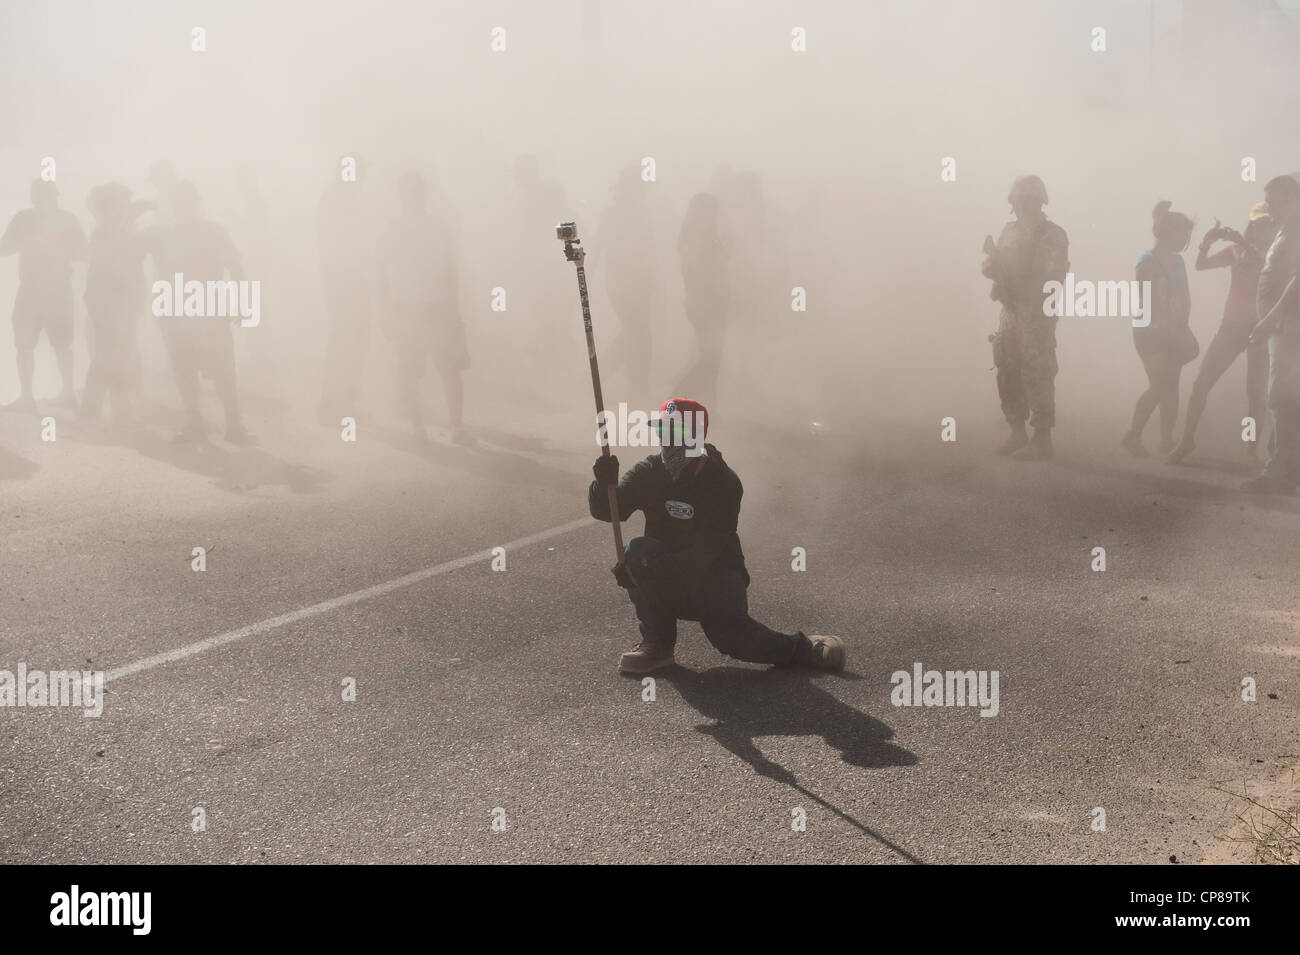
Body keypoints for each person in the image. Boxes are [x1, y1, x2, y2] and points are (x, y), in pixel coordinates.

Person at [589, 396, 845, 676]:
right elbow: (610, 511)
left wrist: (651, 569)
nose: (668, 440)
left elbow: (704, 554)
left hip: (715, 577)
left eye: (678, 432)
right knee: (636, 551)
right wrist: (603, 484)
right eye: (663, 431)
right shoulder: (650, 471)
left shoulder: (723, 482)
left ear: (698, 435)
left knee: (733, 641)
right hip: (668, 574)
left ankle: (802, 648)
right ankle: (657, 645)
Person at [143, 180, 253, 444]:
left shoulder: (209, 233)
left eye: (187, 202)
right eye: (180, 203)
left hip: (203, 309)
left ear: (195, 204)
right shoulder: (167, 236)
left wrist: (242, 302)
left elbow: (236, 267)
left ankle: (230, 423)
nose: (184, 208)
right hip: (182, 310)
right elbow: (235, 267)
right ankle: (202, 423)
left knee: (216, 368)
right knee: (190, 368)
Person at [1166, 203, 1277, 465]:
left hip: (1259, 329)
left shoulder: (1276, 253)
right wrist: (1207, 241)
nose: (1264, 229)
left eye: (1268, 224)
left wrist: (1242, 243)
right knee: (1201, 383)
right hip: (1232, 326)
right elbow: (1201, 265)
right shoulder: (1236, 250)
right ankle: (1186, 439)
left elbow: (1264, 264)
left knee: (1255, 394)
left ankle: (1251, 450)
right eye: (1259, 224)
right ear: (1252, 226)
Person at [377, 171, 471, 444]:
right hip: (408, 307)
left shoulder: (438, 227)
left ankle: (455, 426)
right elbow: (381, 273)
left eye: (417, 192)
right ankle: (419, 427)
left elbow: (451, 268)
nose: (414, 197)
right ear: (403, 196)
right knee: (412, 370)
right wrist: (387, 311)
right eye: (410, 192)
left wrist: (455, 308)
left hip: (436, 306)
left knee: (447, 368)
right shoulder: (393, 230)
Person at [981, 175, 1069, 459]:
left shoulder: (1053, 234)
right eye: (1019, 201)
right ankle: (1016, 432)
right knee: (1007, 369)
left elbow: (1054, 275)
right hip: (1011, 311)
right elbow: (996, 267)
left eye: (1029, 201)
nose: (1023, 206)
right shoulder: (1009, 232)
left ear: (1040, 201)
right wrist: (992, 267)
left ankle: (1042, 439)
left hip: (1037, 313)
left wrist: (1026, 284)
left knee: (1038, 372)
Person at [0, 179, 87, 412]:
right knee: (27, 345)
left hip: (51, 290)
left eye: (44, 195)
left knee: (57, 344)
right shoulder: (28, 219)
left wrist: (56, 247)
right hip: (36, 290)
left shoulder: (60, 220)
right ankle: (31, 398)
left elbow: (83, 252)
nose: (42, 199)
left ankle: (60, 394)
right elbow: (4, 248)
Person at [1123, 202, 1199, 457]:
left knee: (1171, 385)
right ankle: (1132, 435)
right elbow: (1148, 301)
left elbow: (1186, 296)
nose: (1185, 240)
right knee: (1159, 385)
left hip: (1174, 330)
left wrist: (1181, 326)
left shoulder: (1178, 261)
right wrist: (1168, 325)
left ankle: (1166, 440)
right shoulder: (1146, 261)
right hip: (1150, 332)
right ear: (1167, 232)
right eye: (1182, 234)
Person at [1243, 175, 1300, 493]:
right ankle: (1286, 471)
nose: (1269, 209)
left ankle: (1278, 473)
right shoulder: (1287, 231)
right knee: (1287, 398)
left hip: (1289, 329)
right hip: (1285, 329)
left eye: (1275, 202)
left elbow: (1298, 280)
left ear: (1293, 200)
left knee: (1281, 397)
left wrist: (1271, 320)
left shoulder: (1296, 232)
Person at [81, 183, 149, 425]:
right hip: (108, 305)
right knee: (107, 356)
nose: (125, 205)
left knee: (119, 355)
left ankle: (118, 408)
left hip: (122, 304)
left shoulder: (117, 229)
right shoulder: (105, 232)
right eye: (123, 201)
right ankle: (92, 412)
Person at [316, 170, 373, 425]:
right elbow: (339, 248)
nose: (360, 183)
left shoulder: (341, 202)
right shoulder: (336, 204)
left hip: (349, 281)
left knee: (351, 341)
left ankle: (342, 402)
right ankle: (334, 403)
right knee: (345, 341)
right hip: (343, 283)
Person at [597, 165, 656, 404]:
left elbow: (649, 249)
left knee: (636, 333)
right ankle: (637, 389)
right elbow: (600, 245)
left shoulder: (640, 214)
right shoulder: (615, 214)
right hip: (622, 282)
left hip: (637, 282)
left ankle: (602, 376)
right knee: (640, 334)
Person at [676, 194, 732, 404]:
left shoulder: (709, 237)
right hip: (704, 304)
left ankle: (710, 409)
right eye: (708, 211)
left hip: (715, 303)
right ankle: (672, 400)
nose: (712, 216)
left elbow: (715, 268)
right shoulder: (693, 238)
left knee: (713, 363)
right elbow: (694, 270)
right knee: (708, 361)